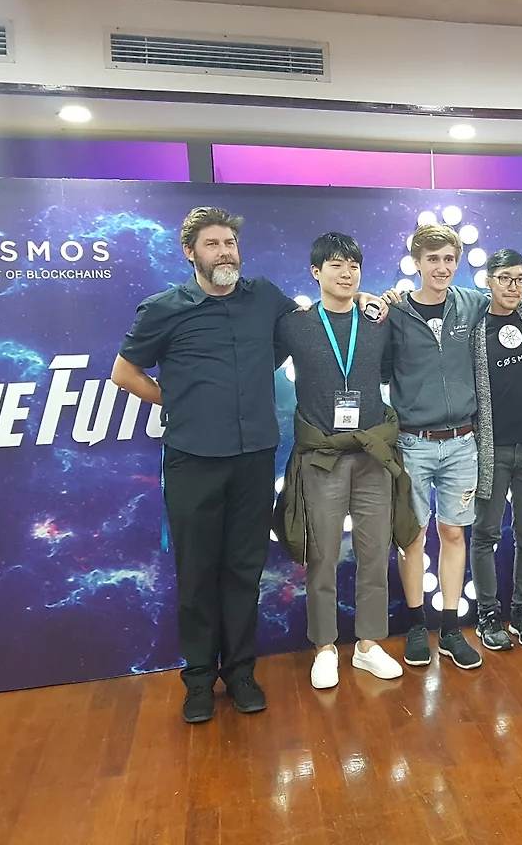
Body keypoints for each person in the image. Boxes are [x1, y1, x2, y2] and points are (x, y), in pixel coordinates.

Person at [110, 207, 297, 725]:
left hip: (254, 457)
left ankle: (240, 674)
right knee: (196, 573)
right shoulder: (163, 308)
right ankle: (197, 681)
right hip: (193, 459)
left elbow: (297, 336)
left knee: (244, 569)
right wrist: (176, 400)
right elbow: (124, 372)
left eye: (230, 243)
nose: (224, 252)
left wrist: (370, 301)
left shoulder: (265, 297)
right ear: (190, 253)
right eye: (212, 244)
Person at [275, 233, 411, 689]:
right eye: (335, 265)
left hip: (372, 452)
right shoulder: (294, 325)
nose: (346, 273)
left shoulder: (377, 320)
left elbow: (390, 368)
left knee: (375, 553)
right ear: (316, 272)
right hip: (322, 456)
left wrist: (380, 302)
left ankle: (369, 645)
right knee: (323, 555)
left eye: (353, 265)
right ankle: (325, 648)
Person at [385, 223, 487, 670]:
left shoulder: (472, 304)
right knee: (412, 536)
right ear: (417, 263)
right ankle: (415, 625)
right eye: (432, 259)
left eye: (448, 259)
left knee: (454, 533)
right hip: (413, 443)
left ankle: (449, 628)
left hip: (462, 442)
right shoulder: (396, 312)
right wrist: (374, 300)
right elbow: (381, 367)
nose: (441, 267)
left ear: (457, 261)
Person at [469, 249, 522, 650]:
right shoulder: (472, 325)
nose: (513, 287)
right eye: (504, 278)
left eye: (520, 279)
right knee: (485, 533)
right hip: (492, 448)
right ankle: (488, 613)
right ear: (488, 281)